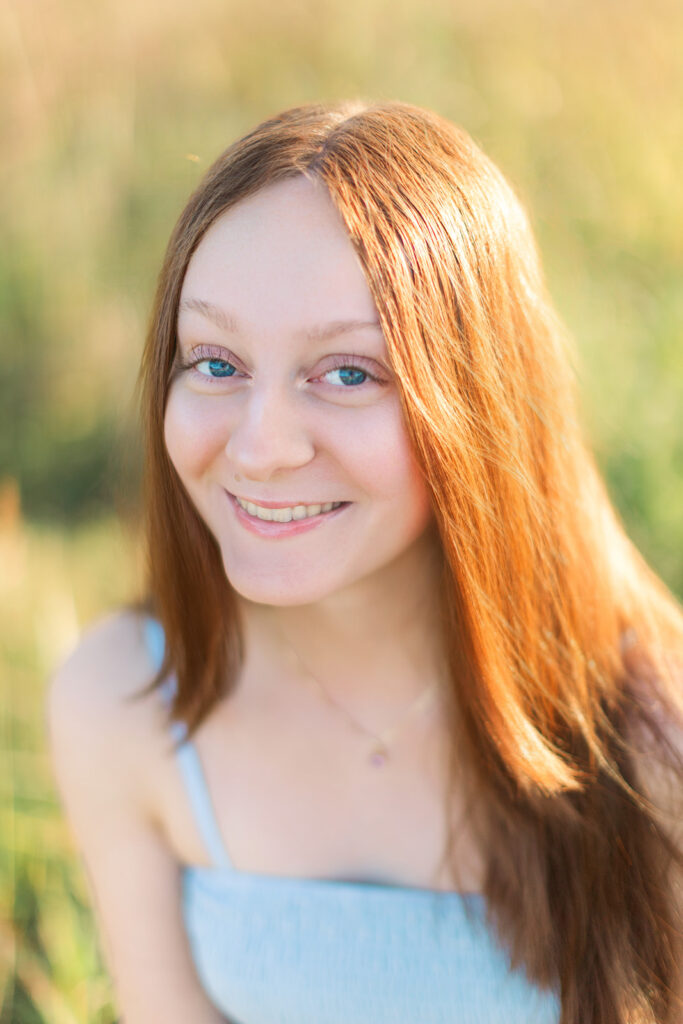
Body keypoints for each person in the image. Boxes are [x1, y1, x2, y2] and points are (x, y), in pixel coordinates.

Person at [46, 101, 683, 1024]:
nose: (262, 448)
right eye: (216, 362)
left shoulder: (651, 740)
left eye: (347, 373)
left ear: (479, 401)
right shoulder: (121, 700)